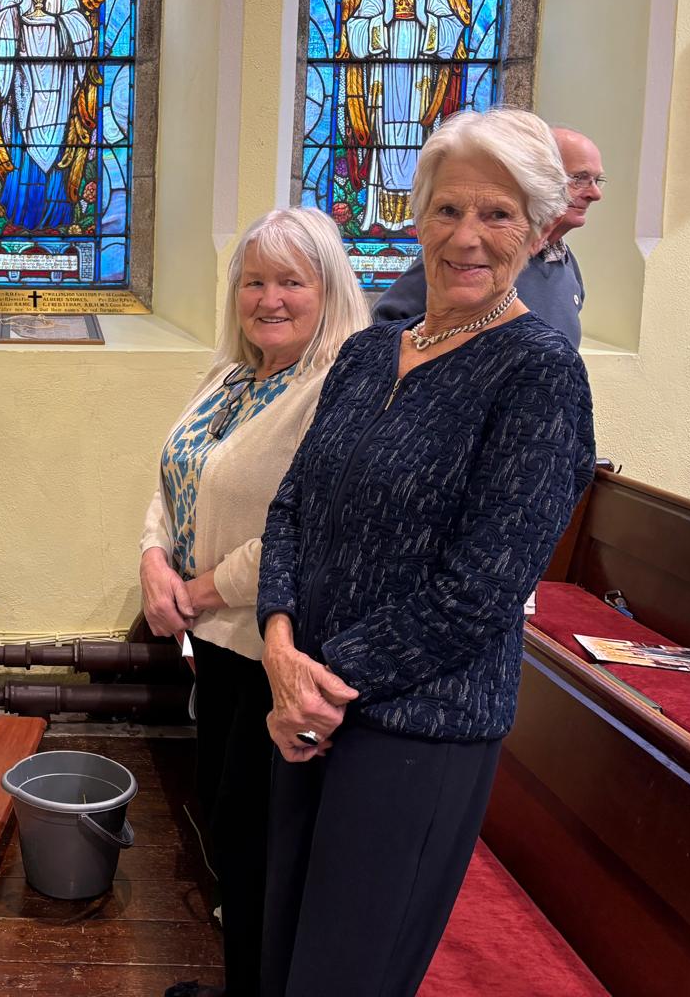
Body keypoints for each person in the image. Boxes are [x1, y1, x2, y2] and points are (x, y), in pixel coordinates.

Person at [255, 107, 595, 997]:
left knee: (345, 975)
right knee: (281, 951)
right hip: (308, 712)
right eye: (447, 210)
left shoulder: (540, 374)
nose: (467, 237)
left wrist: (320, 677)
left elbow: (483, 588)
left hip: (419, 728)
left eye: (497, 213)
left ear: (539, 227)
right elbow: (293, 505)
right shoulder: (367, 354)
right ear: (417, 219)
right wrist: (280, 643)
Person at [141, 208, 368, 997]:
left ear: (329, 289)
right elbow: (175, 475)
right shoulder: (232, 374)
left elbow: (311, 524)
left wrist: (200, 589)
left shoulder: (339, 386)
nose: (269, 298)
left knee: (261, 843)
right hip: (215, 641)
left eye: (292, 282)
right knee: (228, 826)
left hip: (275, 642)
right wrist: (150, 559)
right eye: (255, 280)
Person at [372, 126, 604, 345]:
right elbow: (386, 327)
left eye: (597, 180)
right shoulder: (462, 260)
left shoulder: (566, 262)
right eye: (579, 178)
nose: (595, 193)